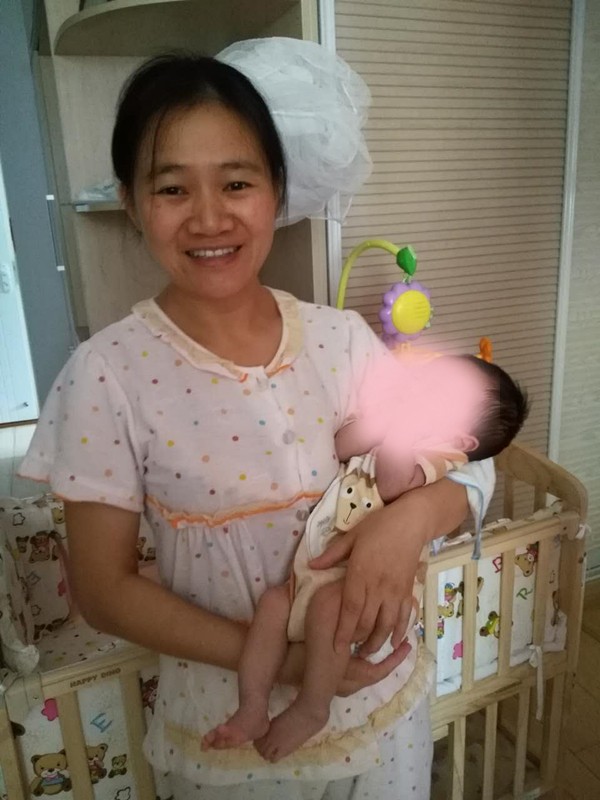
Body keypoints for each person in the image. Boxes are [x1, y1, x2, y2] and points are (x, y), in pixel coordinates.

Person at [19, 52, 495, 800]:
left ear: (276, 189)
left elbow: (473, 456)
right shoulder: (105, 374)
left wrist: (407, 525)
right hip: (233, 732)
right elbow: (104, 590)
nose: (209, 217)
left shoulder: (342, 341)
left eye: (237, 183)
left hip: (384, 704)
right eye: (172, 188)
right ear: (132, 202)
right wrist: (291, 665)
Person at [202, 355, 528, 761]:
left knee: (327, 609)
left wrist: (403, 428)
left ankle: (312, 708)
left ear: (461, 441)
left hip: (361, 583)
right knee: (272, 605)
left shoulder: (440, 457)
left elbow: (392, 484)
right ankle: (252, 706)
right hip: (320, 564)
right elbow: (340, 446)